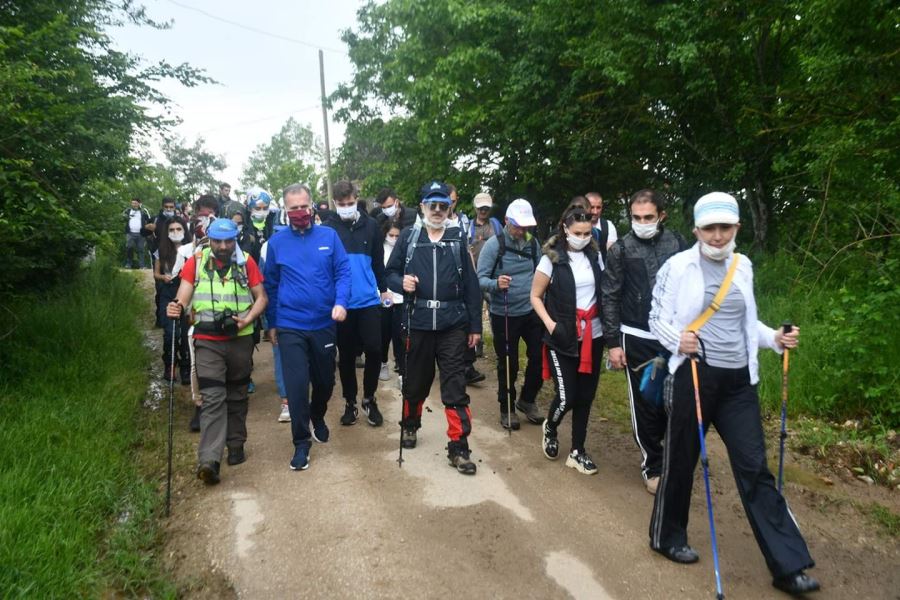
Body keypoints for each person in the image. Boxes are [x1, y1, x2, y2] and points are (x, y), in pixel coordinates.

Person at [647, 192, 818, 596]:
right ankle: (667, 537)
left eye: (726, 227)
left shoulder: (743, 266)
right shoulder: (679, 266)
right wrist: (679, 340)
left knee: (755, 469)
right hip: (694, 375)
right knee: (681, 460)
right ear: (696, 230)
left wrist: (774, 337)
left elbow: (746, 322)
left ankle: (788, 565)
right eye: (710, 227)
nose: (718, 235)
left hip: (739, 382)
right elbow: (658, 319)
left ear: (737, 228)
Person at [385, 181, 482, 475]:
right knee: (415, 382)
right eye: (432, 205)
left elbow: (471, 286)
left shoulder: (456, 239)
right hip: (419, 322)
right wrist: (400, 283)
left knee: (454, 386)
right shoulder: (410, 238)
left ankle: (459, 447)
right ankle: (411, 425)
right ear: (423, 206)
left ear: (449, 208)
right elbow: (389, 272)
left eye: (443, 206)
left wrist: (475, 326)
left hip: (453, 324)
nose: (438, 211)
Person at [165, 218, 268, 485]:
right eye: (218, 241)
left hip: (240, 338)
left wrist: (248, 320)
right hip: (207, 339)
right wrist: (176, 306)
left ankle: (235, 445)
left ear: (235, 239)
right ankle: (209, 459)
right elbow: (183, 295)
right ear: (208, 239)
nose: (223, 246)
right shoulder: (196, 262)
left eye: (228, 241)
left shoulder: (247, 262)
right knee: (212, 397)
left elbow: (262, 298)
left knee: (237, 393)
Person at [601, 189, 688, 494]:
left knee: (673, 401)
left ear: (661, 216)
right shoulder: (620, 249)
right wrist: (613, 343)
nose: (641, 222)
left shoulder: (677, 244)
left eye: (648, 217)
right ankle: (652, 464)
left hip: (673, 336)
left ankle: (672, 457)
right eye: (636, 217)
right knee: (645, 402)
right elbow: (609, 295)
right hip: (635, 335)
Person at [263, 183, 351, 471]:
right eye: (293, 208)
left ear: (312, 206)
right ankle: (301, 443)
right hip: (291, 324)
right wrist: (273, 323)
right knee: (297, 386)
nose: (299, 212)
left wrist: (341, 302)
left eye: (303, 206)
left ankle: (318, 414)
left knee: (325, 381)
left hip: (325, 322)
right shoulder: (276, 243)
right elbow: (271, 286)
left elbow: (342, 272)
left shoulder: (330, 236)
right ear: (285, 211)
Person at [530, 205, 604, 475]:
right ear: (565, 229)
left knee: (585, 397)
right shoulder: (552, 258)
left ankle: (577, 451)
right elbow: (535, 296)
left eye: (587, 233)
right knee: (567, 397)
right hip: (561, 337)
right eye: (577, 232)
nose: (583, 237)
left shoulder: (595, 256)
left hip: (592, 337)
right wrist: (551, 325)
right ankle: (550, 426)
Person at [323, 180, 390, 428]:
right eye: (341, 204)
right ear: (334, 203)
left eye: (350, 203)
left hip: (368, 300)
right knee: (347, 356)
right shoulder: (328, 228)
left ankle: (369, 398)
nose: (346, 207)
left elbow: (378, 262)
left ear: (356, 199)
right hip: (341, 304)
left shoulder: (371, 226)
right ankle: (350, 402)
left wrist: (383, 290)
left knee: (374, 349)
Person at [476, 198, 544, 430]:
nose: (522, 230)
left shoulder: (533, 244)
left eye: (526, 226)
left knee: (539, 356)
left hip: (531, 310)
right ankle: (506, 408)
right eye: (518, 226)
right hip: (503, 313)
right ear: (506, 221)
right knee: (509, 363)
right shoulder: (494, 245)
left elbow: (541, 272)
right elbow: (480, 280)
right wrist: (496, 283)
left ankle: (527, 399)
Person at [446, 183, 484, 385]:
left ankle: (468, 365)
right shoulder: (429, 223)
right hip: (447, 278)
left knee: (469, 312)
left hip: (464, 270)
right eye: (447, 201)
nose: (450, 205)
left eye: (453, 201)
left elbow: (468, 246)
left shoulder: (462, 220)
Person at [154, 216, 193, 384]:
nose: (175, 232)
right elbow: (155, 273)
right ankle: (170, 364)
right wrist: (164, 277)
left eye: (179, 229)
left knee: (185, 333)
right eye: (171, 230)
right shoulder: (161, 250)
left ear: (185, 230)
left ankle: (186, 366)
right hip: (168, 292)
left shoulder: (193, 250)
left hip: (188, 292)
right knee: (170, 331)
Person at [379, 221, 405, 382]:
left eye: (397, 236)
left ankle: (402, 371)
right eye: (391, 235)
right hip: (383, 297)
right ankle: (382, 363)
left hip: (401, 298)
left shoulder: (404, 250)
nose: (394, 239)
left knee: (400, 336)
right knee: (383, 334)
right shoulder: (379, 249)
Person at [468, 192, 502, 265]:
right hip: (474, 271)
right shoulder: (468, 227)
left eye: (486, 208)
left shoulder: (496, 225)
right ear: (475, 208)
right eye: (480, 208)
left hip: (494, 270)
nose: (483, 211)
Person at [585, 192, 618, 262]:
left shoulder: (608, 226)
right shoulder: (573, 226)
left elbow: (612, 254)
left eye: (598, 207)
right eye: (592, 207)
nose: (595, 212)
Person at [123, 198, 152, 269]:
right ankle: (129, 264)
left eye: (135, 203)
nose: (133, 205)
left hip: (140, 234)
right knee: (129, 248)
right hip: (130, 233)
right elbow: (122, 217)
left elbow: (149, 220)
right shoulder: (128, 211)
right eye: (132, 203)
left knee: (141, 249)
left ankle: (142, 265)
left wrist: (148, 232)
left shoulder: (143, 211)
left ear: (139, 203)